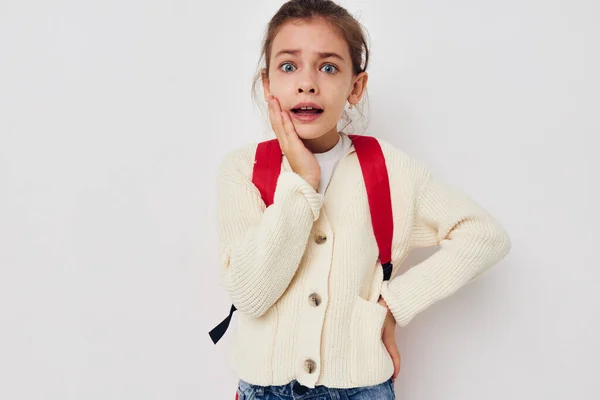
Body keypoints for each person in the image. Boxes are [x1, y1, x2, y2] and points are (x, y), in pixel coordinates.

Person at [216, 1, 511, 399]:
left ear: (355, 87)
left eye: (328, 67)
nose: (307, 83)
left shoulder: (388, 168)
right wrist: (303, 180)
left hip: (359, 389)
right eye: (289, 66)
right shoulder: (243, 169)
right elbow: (251, 293)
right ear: (267, 84)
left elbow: (484, 236)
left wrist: (394, 303)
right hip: (263, 389)